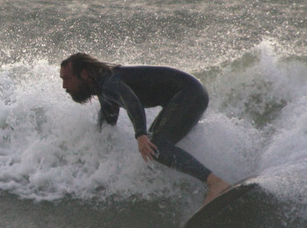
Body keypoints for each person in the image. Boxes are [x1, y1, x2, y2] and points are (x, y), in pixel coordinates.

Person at [59, 53, 230, 205]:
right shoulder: (103, 90)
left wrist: (140, 135)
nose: (64, 87)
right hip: (187, 94)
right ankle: (210, 187)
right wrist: (95, 157)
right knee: (155, 148)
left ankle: (215, 183)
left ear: (84, 74)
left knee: (157, 146)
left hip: (190, 93)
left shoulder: (109, 83)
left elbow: (133, 103)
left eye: (67, 79)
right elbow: (106, 125)